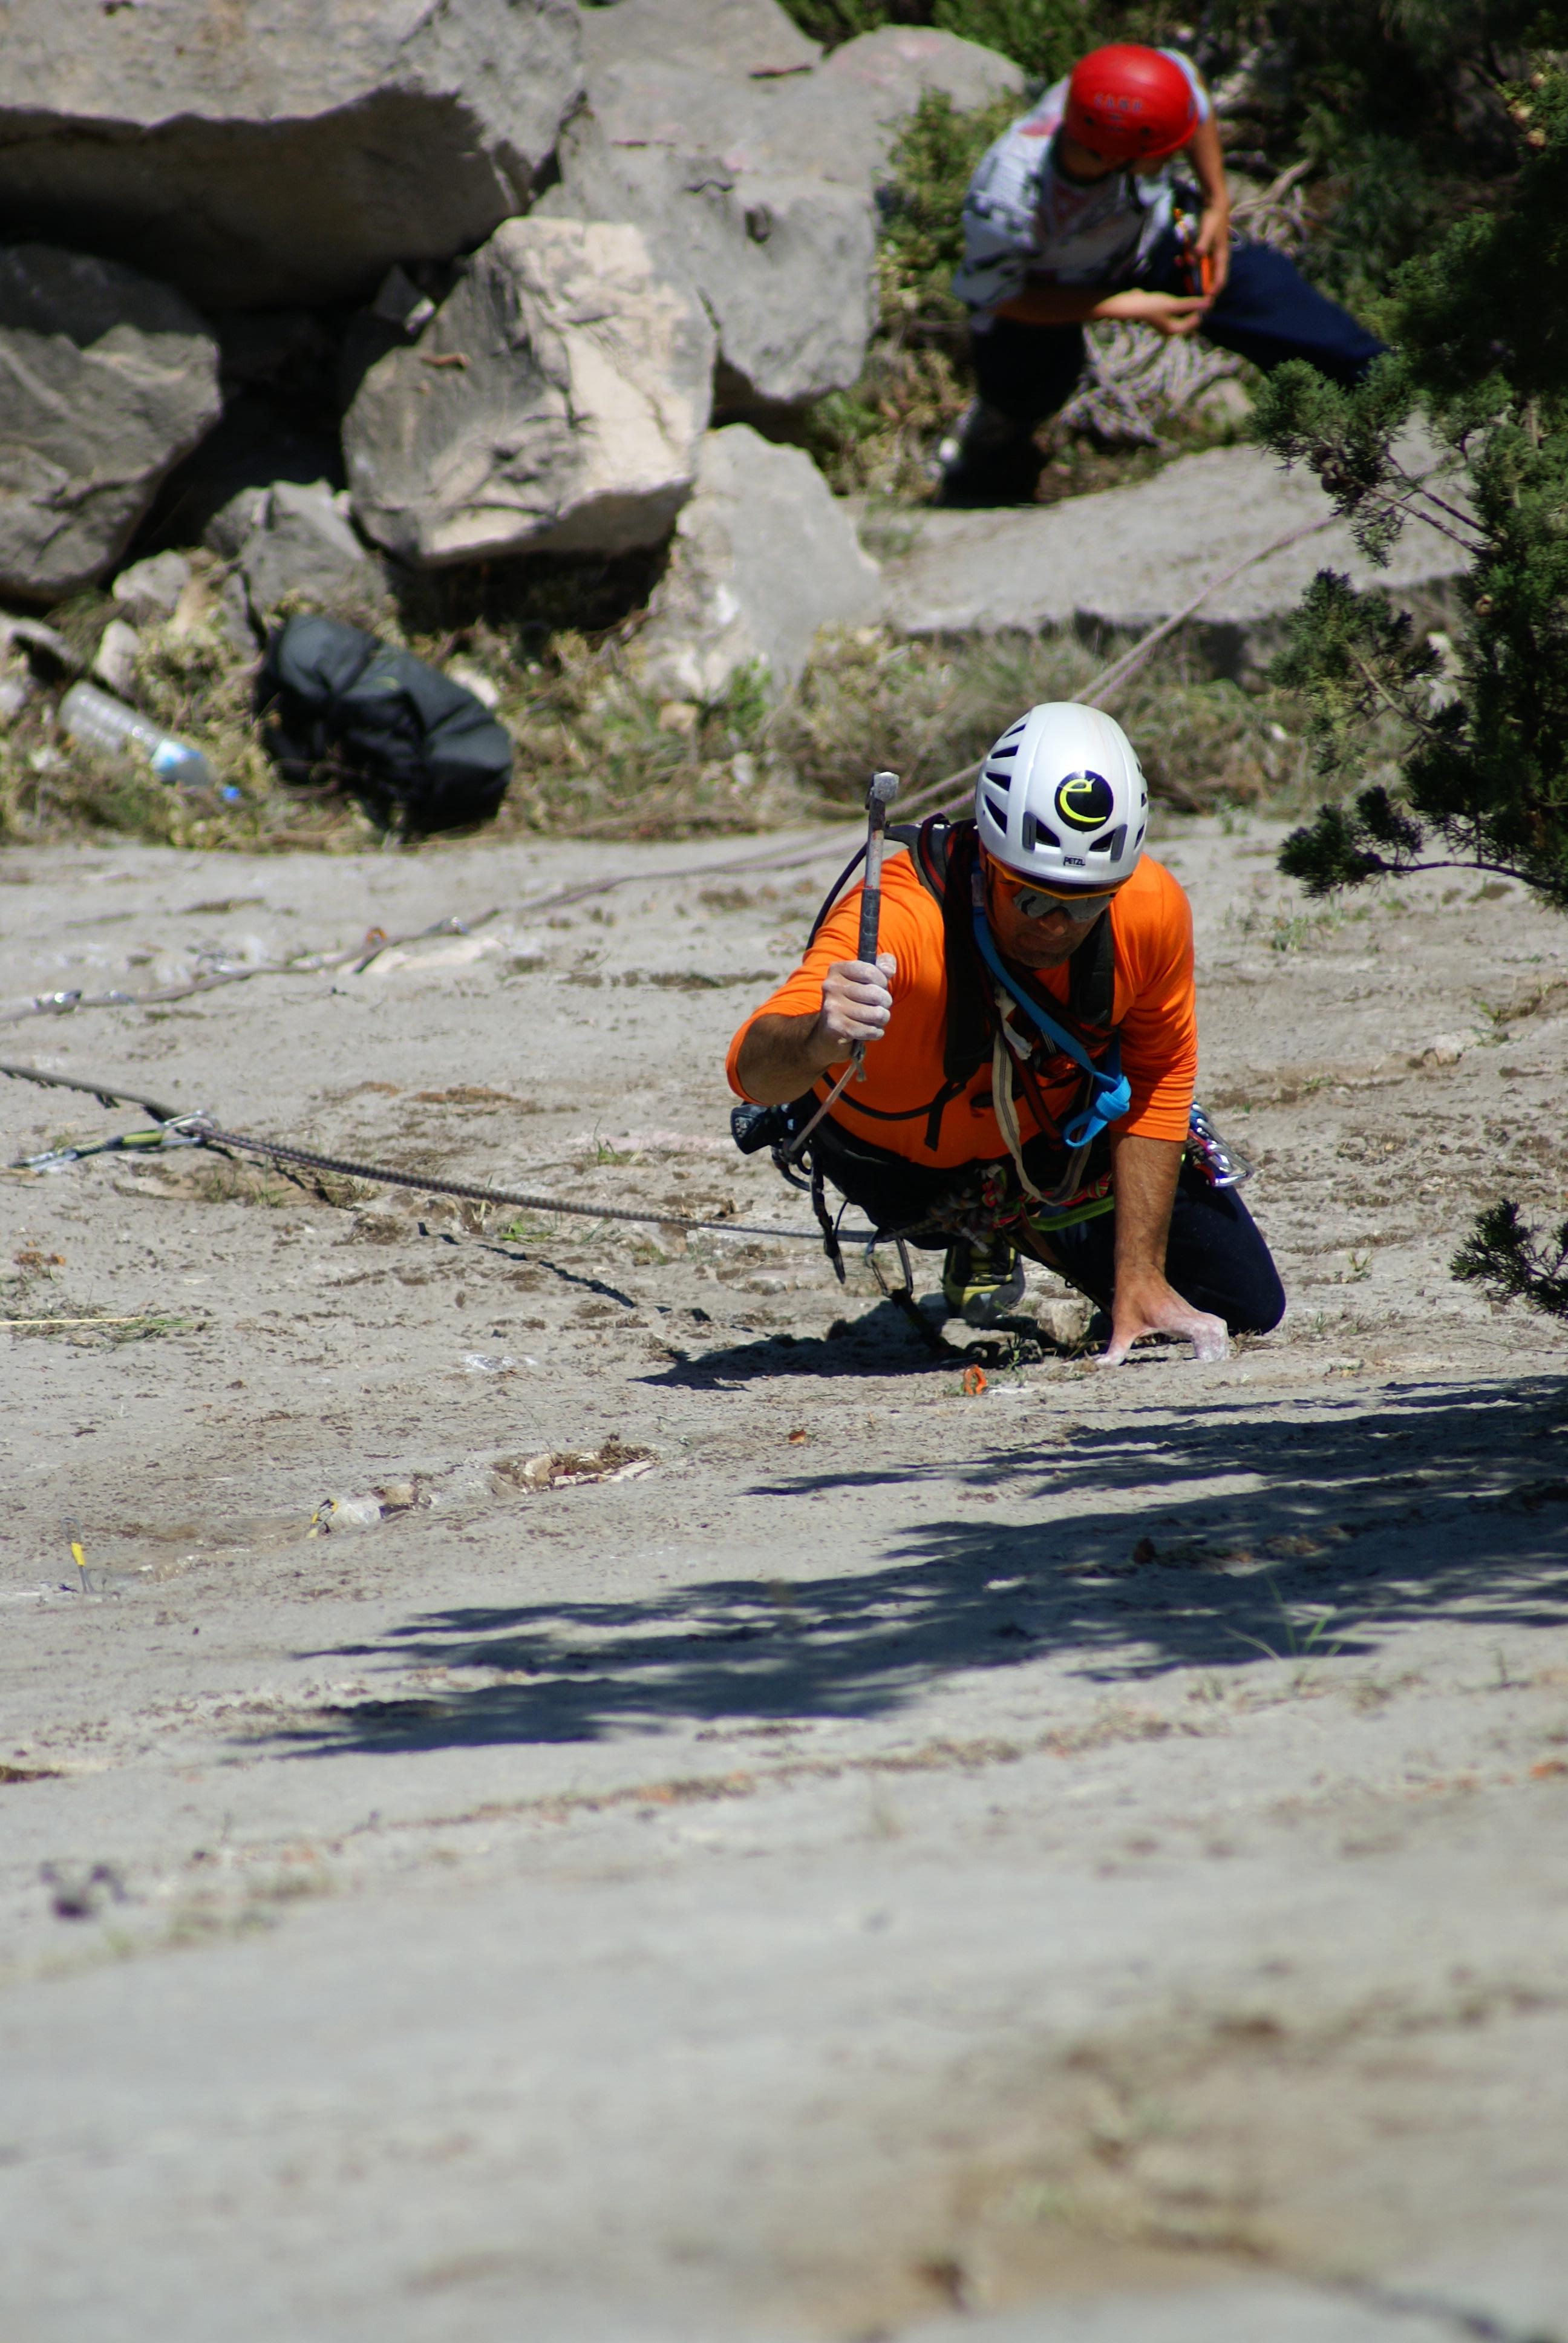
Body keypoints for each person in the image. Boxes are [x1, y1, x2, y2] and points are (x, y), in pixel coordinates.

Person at [727, 702, 1284, 1362]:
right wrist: (818, 1037)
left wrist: (1140, 1274)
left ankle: (1025, 1222)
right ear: (989, 857)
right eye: (1032, 896)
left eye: (1086, 902)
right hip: (904, 1171)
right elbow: (751, 1071)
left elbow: (1160, 1076)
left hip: (1054, 1137)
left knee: (1245, 1302)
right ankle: (981, 1228)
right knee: (929, 1205)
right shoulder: (901, 919)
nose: (1056, 924)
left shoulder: (1149, 909)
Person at [938, 42, 1387, 504]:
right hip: (1045, 283)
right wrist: (1128, 306)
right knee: (1025, 379)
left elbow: (1191, 92)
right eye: (1164, 151)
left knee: (1258, 288)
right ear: (1116, 157)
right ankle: (989, 454)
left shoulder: (1130, 90)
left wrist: (1215, 201)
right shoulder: (1008, 197)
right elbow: (998, 296)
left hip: (1151, 230)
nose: (1174, 155)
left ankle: (1384, 379)